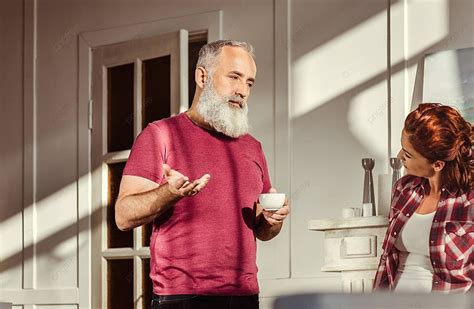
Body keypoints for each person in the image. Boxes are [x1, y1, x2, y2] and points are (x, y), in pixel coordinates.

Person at [115, 40, 290, 309]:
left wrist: (272, 219)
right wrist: (169, 193)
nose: (242, 91)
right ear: (202, 76)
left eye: (249, 83)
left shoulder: (253, 147)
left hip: (245, 296)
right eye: (234, 77)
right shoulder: (160, 134)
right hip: (181, 298)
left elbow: (263, 231)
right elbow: (123, 216)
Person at [373, 103, 473, 293]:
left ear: (437, 165)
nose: (399, 156)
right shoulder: (404, 189)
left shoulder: (468, 202)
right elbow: (387, 261)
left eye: (408, 154)